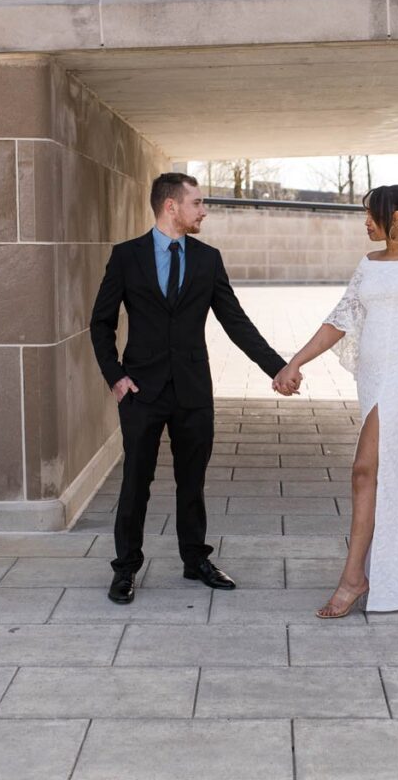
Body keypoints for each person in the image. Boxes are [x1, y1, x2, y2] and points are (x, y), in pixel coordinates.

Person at [90, 172, 298, 604]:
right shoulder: (127, 257)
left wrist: (278, 367)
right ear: (171, 206)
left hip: (192, 391)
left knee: (193, 481)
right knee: (135, 483)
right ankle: (125, 568)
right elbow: (101, 322)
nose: (204, 210)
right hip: (140, 392)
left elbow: (235, 321)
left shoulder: (208, 259)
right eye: (198, 203)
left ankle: (195, 559)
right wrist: (116, 376)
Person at [274, 184, 398, 617]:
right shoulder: (368, 264)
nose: (365, 222)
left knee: (364, 467)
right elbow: (342, 318)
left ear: (397, 218)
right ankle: (383, 574)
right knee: (375, 473)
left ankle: (354, 578)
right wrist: (295, 362)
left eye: (371, 215)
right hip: (373, 375)